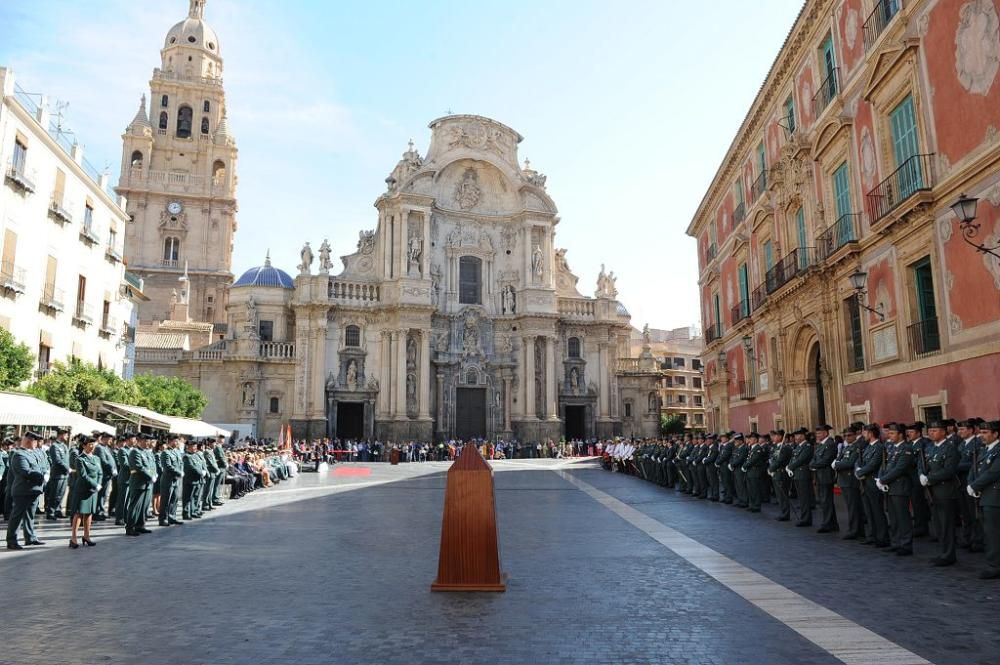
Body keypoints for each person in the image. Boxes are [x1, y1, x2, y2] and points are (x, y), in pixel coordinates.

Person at [921, 420, 960, 566]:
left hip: (944, 491)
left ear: (944, 432)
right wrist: (921, 475)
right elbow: (922, 464)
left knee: (946, 524)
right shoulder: (930, 447)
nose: (931, 433)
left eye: (935, 430)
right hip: (931, 491)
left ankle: (949, 554)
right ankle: (943, 552)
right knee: (937, 523)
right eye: (930, 430)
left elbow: (949, 471)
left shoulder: (950, 449)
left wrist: (929, 478)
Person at [968, 420, 1000, 579]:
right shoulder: (984, 450)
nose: (982, 436)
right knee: (989, 532)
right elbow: (974, 468)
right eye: (981, 432)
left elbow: (993, 473)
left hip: (995, 497)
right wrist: (971, 483)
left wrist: (974, 486)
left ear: (996, 434)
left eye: (986, 433)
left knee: (993, 533)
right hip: (984, 496)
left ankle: (995, 566)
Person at [6, 432, 47, 550]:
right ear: (30, 441)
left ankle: (30, 537)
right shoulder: (19, 454)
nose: (38, 444)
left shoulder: (33, 453)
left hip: (34, 490)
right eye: (36, 441)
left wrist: (44, 474)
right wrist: (42, 477)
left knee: (30, 515)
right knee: (17, 516)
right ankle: (12, 540)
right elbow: (26, 471)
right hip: (23, 490)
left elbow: (41, 467)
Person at [878, 423, 914, 556]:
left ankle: (906, 544)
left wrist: (883, 480)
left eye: (892, 433)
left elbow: (899, 469)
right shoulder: (892, 448)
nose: (889, 435)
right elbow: (885, 465)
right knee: (893, 517)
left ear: (900, 434)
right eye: (889, 433)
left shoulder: (906, 449)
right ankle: (896, 542)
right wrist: (880, 477)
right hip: (890, 487)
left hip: (900, 486)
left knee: (902, 516)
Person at [68, 436, 102, 548]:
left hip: (93, 490)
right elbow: (83, 476)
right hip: (83, 489)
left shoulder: (96, 459)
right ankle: (73, 538)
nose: (92, 447)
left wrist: (99, 483)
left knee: (89, 513)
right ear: (84, 445)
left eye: (94, 444)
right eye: (90, 445)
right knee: (78, 513)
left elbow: (100, 473)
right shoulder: (80, 459)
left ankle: (86, 536)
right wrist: (95, 484)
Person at [810, 424, 839, 533]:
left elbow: (826, 460)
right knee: (824, 501)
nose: (817, 435)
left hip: (826, 476)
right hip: (819, 476)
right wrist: (812, 464)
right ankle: (832, 523)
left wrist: (813, 465)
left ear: (826, 433)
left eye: (819, 433)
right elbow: (814, 458)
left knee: (826, 500)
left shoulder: (830, 444)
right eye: (816, 433)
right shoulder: (820, 445)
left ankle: (827, 524)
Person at [125, 434, 156, 536]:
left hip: (148, 484)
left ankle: (140, 525)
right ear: (140, 441)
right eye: (146, 441)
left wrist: (154, 474)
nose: (148, 443)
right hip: (139, 482)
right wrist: (150, 476)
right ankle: (130, 527)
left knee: (144, 506)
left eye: (149, 441)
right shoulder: (135, 452)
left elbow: (152, 466)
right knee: (135, 506)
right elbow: (139, 467)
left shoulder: (147, 452)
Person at [45, 428, 71, 520]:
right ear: (61, 435)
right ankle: (51, 512)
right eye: (66, 434)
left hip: (64, 475)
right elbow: (57, 460)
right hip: (57, 475)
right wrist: (67, 468)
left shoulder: (64, 446)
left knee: (61, 494)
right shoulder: (54, 446)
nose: (67, 436)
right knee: (55, 494)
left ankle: (58, 510)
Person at [767, 429, 793, 521]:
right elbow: (773, 459)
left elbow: (780, 460)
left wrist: (771, 468)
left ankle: (785, 514)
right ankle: (783, 512)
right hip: (775, 473)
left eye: (776, 436)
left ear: (781, 437)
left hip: (781, 473)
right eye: (774, 436)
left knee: (783, 495)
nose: (774, 437)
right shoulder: (776, 447)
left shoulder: (785, 448)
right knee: (779, 495)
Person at [159, 436, 184, 526]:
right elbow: (167, 466)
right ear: (170, 441)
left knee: (174, 499)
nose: (177, 443)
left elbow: (181, 463)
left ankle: (172, 517)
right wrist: (179, 472)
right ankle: (163, 519)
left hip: (176, 480)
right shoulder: (165, 453)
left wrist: (181, 471)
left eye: (178, 441)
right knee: (166, 500)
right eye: (176, 441)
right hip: (168, 480)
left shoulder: (177, 452)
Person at [94, 433, 117, 522]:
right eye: (109, 439)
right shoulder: (99, 448)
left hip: (108, 475)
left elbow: (111, 460)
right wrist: (111, 469)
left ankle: (102, 511)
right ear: (105, 438)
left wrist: (113, 469)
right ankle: (98, 512)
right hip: (103, 475)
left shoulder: (106, 448)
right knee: (100, 494)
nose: (111, 441)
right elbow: (103, 461)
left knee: (104, 494)